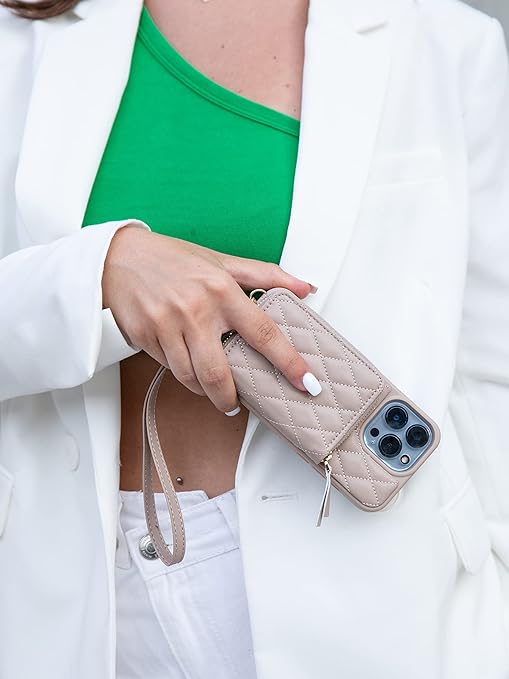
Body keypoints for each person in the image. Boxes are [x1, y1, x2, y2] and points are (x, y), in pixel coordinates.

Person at [0, 0, 508, 677]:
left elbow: (492, 376)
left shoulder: (447, 41)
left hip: (381, 599)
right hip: (71, 592)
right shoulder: (19, 35)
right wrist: (100, 272)